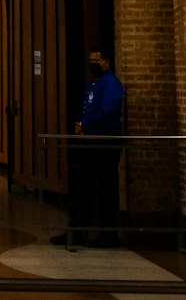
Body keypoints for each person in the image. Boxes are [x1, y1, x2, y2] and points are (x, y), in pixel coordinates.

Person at [51, 45, 125, 247]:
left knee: (104, 189)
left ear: (106, 63)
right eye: (90, 60)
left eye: (97, 61)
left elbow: (107, 110)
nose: (93, 64)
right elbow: (86, 106)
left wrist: (85, 124)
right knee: (85, 187)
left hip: (105, 140)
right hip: (91, 140)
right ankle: (77, 230)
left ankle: (108, 234)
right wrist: (79, 122)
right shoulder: (94, 84)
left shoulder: (111, 84)